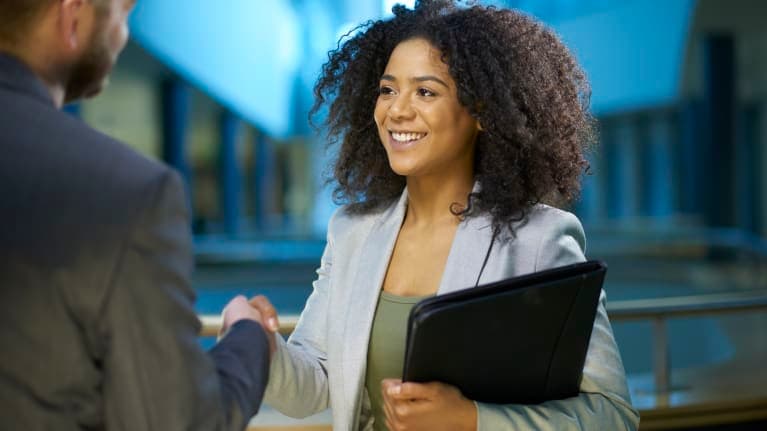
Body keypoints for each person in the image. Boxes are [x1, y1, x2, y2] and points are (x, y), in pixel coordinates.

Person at [248, 0, 640, 429]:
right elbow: (316, 381)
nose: (397, 110)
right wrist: (263, 346)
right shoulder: (353, 231)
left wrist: (472, 420)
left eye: (426, 91)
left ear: (483, 114)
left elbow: (613, 415)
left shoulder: (538, 240)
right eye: (387, 89)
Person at [0, 0, 272, 429]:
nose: (124, 34)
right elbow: (178, 421)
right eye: (121, 13)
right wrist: (249, 336)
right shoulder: (123, 191)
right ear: (72, 17)